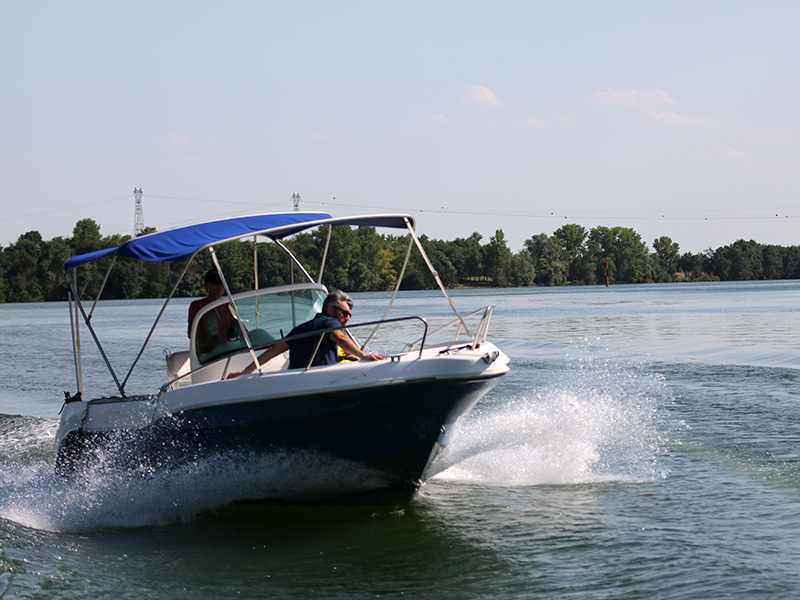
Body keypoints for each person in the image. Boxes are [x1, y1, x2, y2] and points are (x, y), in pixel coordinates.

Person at [227, 290, 385, 377]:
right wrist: (363, 356)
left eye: (350, 315)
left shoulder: (301, 328)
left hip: (296, 380)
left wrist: (246, 372)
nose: (348, 318)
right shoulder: (330, 322)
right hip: (322, 380)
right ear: (330, 310)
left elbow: (273, 350)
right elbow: (340, 337)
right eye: (345, 313)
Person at [188, 269, 236, 355]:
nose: (220, 286)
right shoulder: (197, 306)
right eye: (215, 282)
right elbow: (191, 334)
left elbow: (240, 329)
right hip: (209, 354)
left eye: (222, 282)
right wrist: (210, 342)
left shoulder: (229, 306)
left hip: (229, 351)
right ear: (206, 285)